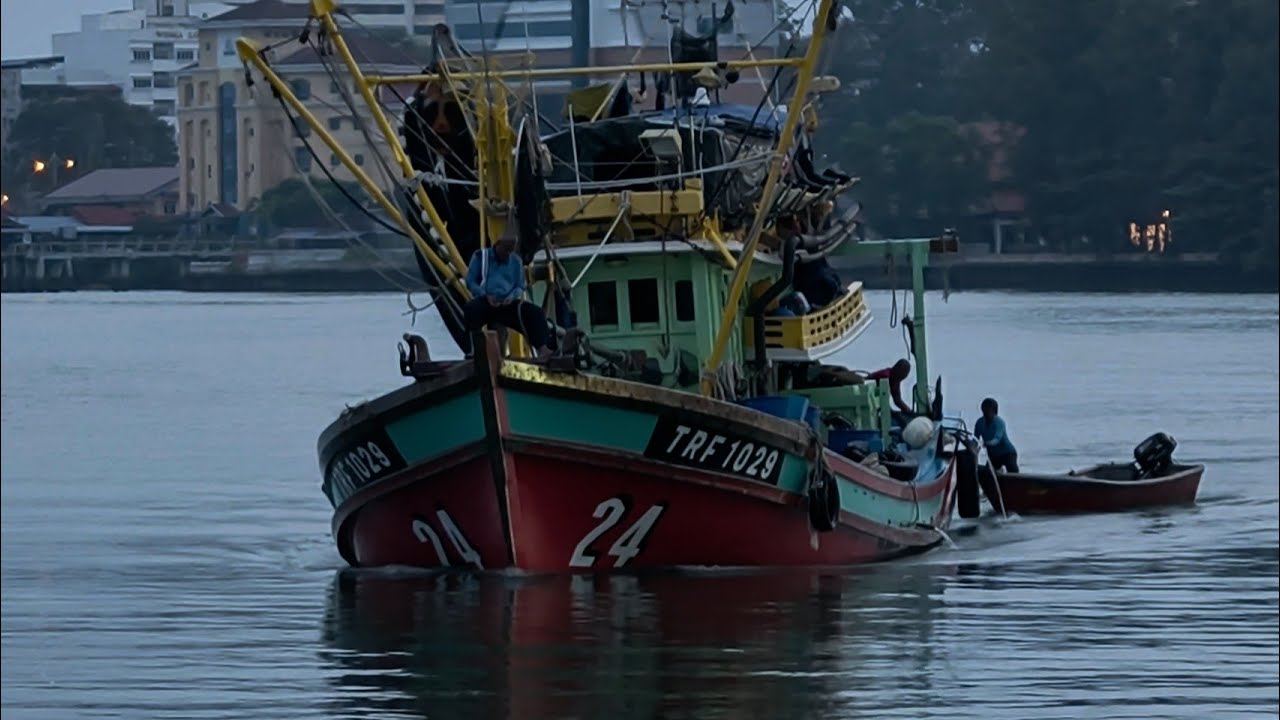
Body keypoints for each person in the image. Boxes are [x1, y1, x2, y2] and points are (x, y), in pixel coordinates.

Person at [463, 234, 554, 358]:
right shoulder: (481, 256)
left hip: (507, 303)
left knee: (536, 313)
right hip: (487, 301)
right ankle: (474, 349)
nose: (507, 254)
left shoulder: (516, 261)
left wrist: (511, 296)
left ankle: (542, 348)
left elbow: (520, 286)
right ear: (498, 245)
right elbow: (470, 281)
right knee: (471, 309)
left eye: (510, 251)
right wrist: (484, 295)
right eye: (505, 250)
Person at [974, 397, 1019, 472]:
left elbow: (997, 439)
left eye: (989, 411)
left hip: (1008, 453)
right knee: (987, 473)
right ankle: (999, 470)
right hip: (993, 456)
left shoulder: (999, 422)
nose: (986, 413)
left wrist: (988, 443)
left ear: (994, 411)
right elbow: (975, 439)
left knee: (1013, 473)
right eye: (984, 410)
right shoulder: (979, 422)